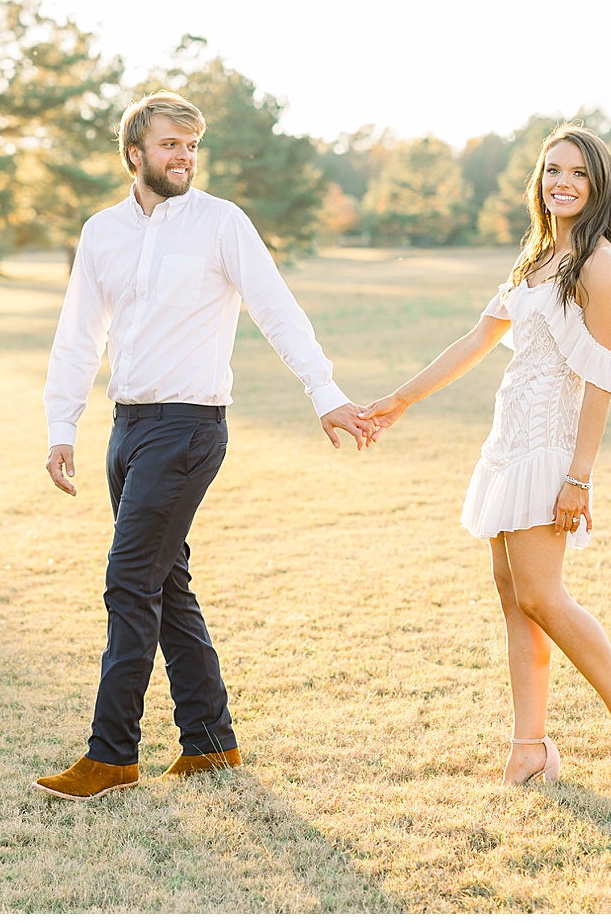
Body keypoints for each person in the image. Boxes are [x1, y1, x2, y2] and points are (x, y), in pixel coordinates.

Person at [36, 90, 376, 801]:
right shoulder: (102, 232)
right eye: (170, 145)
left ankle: (111, 755)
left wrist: (325, 391)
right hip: (126, 429)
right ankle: (211, 742)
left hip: (190, 430)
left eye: (191, 145)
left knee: (129, 581)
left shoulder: (222, 223)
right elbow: (79, 335)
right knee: (165, 582)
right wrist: (61, 426)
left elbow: (276, 308)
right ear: (136, 153)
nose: (184, 156)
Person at [360, 125, 611, 785]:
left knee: (543, 595)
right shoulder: (535, 255)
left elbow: (601, 377)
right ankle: (530, 746)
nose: (561, 182)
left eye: (576, 172)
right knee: (514, 596)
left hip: (552, 446)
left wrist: (580, 475)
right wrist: (400, 400)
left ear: (596, 185)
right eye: (551, 170)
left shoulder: (598, 261)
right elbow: (479, 337)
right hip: (508, 441)